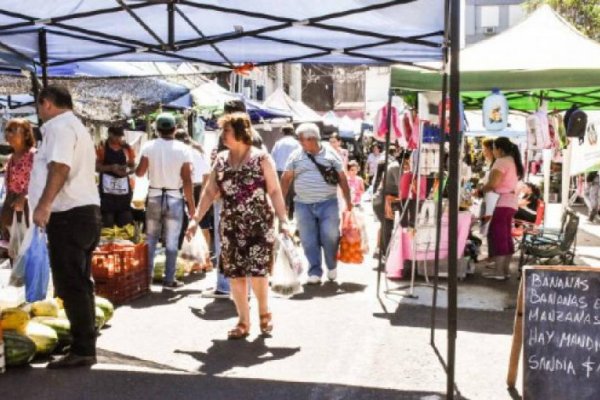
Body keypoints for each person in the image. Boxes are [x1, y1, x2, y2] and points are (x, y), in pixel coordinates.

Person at [187, 112, 289, 339]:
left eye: (227, 131)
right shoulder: (221, 159)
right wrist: (195, 219)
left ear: (241, 133)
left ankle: (264, 311)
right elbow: (210, 191)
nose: (223, 136)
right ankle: (243, 320)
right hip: (231, 225)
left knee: (258, 272)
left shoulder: (262, 158)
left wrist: (283, 221)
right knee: (235, 274)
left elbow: (274, 190)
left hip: (259, 224)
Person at [29, 85, 101, 368]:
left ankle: (83, 348)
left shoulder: (59, 127)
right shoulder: (75, 126)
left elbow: (60, 167)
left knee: (72, 284)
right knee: (80, 282)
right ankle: (83, 340)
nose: (38, 112)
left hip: (69, 214)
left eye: (38, 106)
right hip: (83, 213)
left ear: (46, 103)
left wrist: (44, 204)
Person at [203, 99, 265, 299]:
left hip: (228, 196)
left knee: (226, 242)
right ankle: (244, 288)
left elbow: (223, 165)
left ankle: (225, 285)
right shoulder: (255, 135)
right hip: (251, 198)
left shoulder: (229, 133)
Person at [281, 123, 352, 284]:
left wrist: (348, 201)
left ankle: (331, 265)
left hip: (328, 203)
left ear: (312, 139)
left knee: (330, 236)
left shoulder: (331, 155)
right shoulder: (295, 156)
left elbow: (342, 178)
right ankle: (314, 270)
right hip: (302, 204)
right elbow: (286, 179)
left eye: (301, 139)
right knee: (308, 239)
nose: (299, 142)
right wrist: (281, 202)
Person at [135, 113, 195, 289]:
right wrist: (191, 205)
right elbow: (187, 180)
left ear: (156, 130)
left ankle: (146, 279)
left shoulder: (149, 146)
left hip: (154, 196)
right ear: (175, 129)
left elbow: (139, 172)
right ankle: (169, 280)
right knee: (171, 241)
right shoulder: (183, 149)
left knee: (151, 239)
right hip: (175, 198)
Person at [481, 137, 524, 280]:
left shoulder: (501, 161)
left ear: (499, 149)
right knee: (505, 236)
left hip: (500, 202)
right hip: (510, 203)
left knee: (499, 236)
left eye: (493, 148)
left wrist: (480, 189)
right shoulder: (512, 161)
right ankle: (504, 271)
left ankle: (499, 272)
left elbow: (493, 184)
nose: (493, 152)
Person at [175, 129, 212, 249]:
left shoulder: (191, 152)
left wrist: (201, 196)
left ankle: (202, 258)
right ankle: (202, 258)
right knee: (201, 225)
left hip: (195, 188)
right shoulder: (197, 150)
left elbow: (206, 175)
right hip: (196, 188)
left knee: (200, 224)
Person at [1, 118, 36, 241]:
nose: (8, 134)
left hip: (28, 207)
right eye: (7, 130)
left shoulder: (34, 156)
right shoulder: (10, 158)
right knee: (12, 249)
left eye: (13, 130)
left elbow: (41, 182)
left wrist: (24, 196)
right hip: (10, 206)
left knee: (27, 247)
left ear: (26, 134)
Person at [96, 126, 135, 228]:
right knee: (107, 220)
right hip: (107, 191)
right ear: (110, 134)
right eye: (116, 136)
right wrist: (111, 168)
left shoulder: (127, 148)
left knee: (125, 220)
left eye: (120, 136)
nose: (118, 139)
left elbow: (132, 165)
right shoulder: (101, 147)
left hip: (123, 190)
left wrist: (127, 170)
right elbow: (96, 167)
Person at [372, 148, 401, 257]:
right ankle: (386, 255)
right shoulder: (395, 167)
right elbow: (401, 188)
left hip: (383, 200)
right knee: (387, 228)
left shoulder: (395, 166)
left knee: (386, 227)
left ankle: (381, 252)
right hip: (383, 201)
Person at [271, 124, 300, 218]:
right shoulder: (297, 143)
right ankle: (291, 214)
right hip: (293, 170)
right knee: (293, 193)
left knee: (282, 193)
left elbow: (272, 157)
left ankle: (282, 215)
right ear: (292, 132)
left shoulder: (278, 143)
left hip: (279, 171)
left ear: (283, 132)